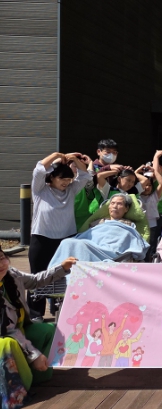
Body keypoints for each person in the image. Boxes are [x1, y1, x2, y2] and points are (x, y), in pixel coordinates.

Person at [0, 250, 77, 398]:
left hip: (19, 330)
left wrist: (62, 268)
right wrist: (34, 355)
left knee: (48, 330)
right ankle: (19, 388)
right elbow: (8, 331)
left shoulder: (12, 274)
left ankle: (38, 375)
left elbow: (35, 281)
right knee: (8, 343)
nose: (1, 265)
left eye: (2, 258)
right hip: (6, 337)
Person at [28, 152, 90, 321]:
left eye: (69, 179)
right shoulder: (40, 190)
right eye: (62, 178)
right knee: (38, 276)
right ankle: (35, 314)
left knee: (66, 275)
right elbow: (39, 169)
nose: (66, 182)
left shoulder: (71, 190)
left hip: (66, 239)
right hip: (42, 238)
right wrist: (57, 154)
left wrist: (74, 159)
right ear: (52, 177)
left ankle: (63, 311)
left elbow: (85, 175)